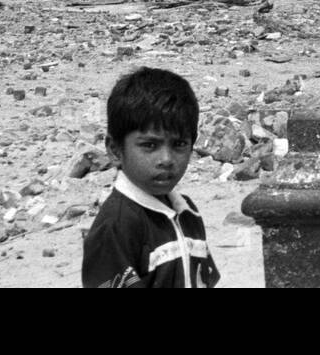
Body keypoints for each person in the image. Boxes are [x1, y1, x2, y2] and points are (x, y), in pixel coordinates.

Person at [82, 67, 220, 288]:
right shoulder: (115, 228)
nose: (166, 159)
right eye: (150, 145)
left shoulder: (187, 212)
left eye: (179, 144)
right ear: (115, 150)